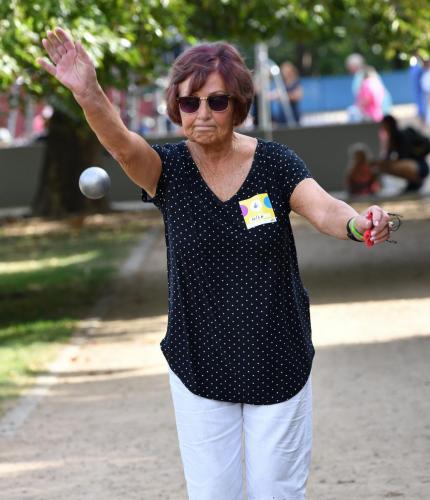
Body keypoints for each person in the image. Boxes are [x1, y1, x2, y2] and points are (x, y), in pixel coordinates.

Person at [38, 27, 392, 500]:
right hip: (199, 359)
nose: (202, 113)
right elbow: (122, 144)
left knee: (276, 493)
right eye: (190, 103)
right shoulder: (167, 172)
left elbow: (326, 210)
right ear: (176, 107)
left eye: (217, 101)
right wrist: (89, 93)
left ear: (239, 105)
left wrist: (359, 225)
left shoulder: (275, 164)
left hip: (278, 355)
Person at [372, 114, 430, 193]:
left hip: (419, 167)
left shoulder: (403, 135)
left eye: (384, 125)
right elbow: (387, 158)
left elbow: (404, 157)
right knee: (382, 165)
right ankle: (412, 183)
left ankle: (416, 182)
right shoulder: (393, 138)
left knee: (394, 165)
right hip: (412, 165)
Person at [345, 53, 392, 122]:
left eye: (349, 66)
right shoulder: (369, 76)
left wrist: (357, 108)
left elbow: (366, 98)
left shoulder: (364, 79)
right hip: (381, 110)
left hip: (375, 113)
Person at [270, 61, 303, 125]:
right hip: (282, 117)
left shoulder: (295, 83)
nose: (284, 73)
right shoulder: (281, 84)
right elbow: (273, 94)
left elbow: (298, 96)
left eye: (286, 71)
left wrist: (283, 96)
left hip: (293, 115)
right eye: (283, 71)